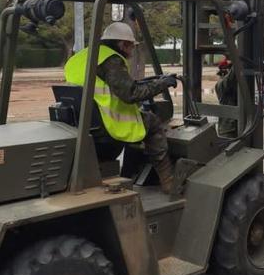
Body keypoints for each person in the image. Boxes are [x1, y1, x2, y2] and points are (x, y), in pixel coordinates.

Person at [64, 22, 178, 193]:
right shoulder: (111, 60)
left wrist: (150, 83)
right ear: (122, 44)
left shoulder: (81, 57)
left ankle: (128, 175)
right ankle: (169, 182)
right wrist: (162, 84)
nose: (132, 51)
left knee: (138, 124)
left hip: (84, 124)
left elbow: (114, 85)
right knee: (151, 123)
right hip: (107, 125)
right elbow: (131, 94)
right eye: (131, 46)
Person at [214, 57, 238, 137]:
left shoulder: (233, 85)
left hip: (235, 126)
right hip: (227, 129)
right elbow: (232, 76)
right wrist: (237, 60)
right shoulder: (221, 84)